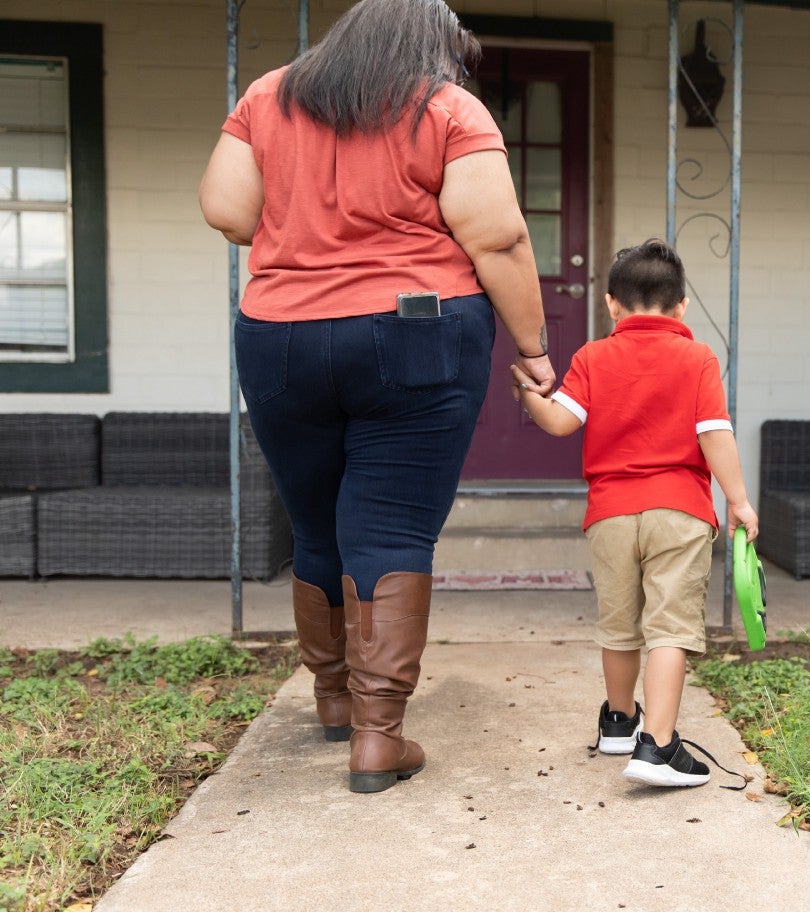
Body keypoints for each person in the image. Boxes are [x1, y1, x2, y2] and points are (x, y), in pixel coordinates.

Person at [198, 0, 555, 794]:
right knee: (389, 525)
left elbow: (229, 213)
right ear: (433, 46)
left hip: (280, 336)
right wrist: (533, 351)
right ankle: (377, 737)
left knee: (317, 521)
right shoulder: (447, 107)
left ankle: (331, 697)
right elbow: (496, 236)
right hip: (416, 331)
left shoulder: (268, 95)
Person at [511, 239, 757, 788]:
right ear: (682, 307)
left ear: (611, 304)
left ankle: (619, 723)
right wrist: (737, 500)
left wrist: (527, 391)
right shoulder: (697, 358)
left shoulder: (592, 357)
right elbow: (713, 432)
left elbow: (558, 422)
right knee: (669, 628)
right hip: (680, 510)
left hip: (611, 513)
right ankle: (659, 747)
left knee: (619, 625)